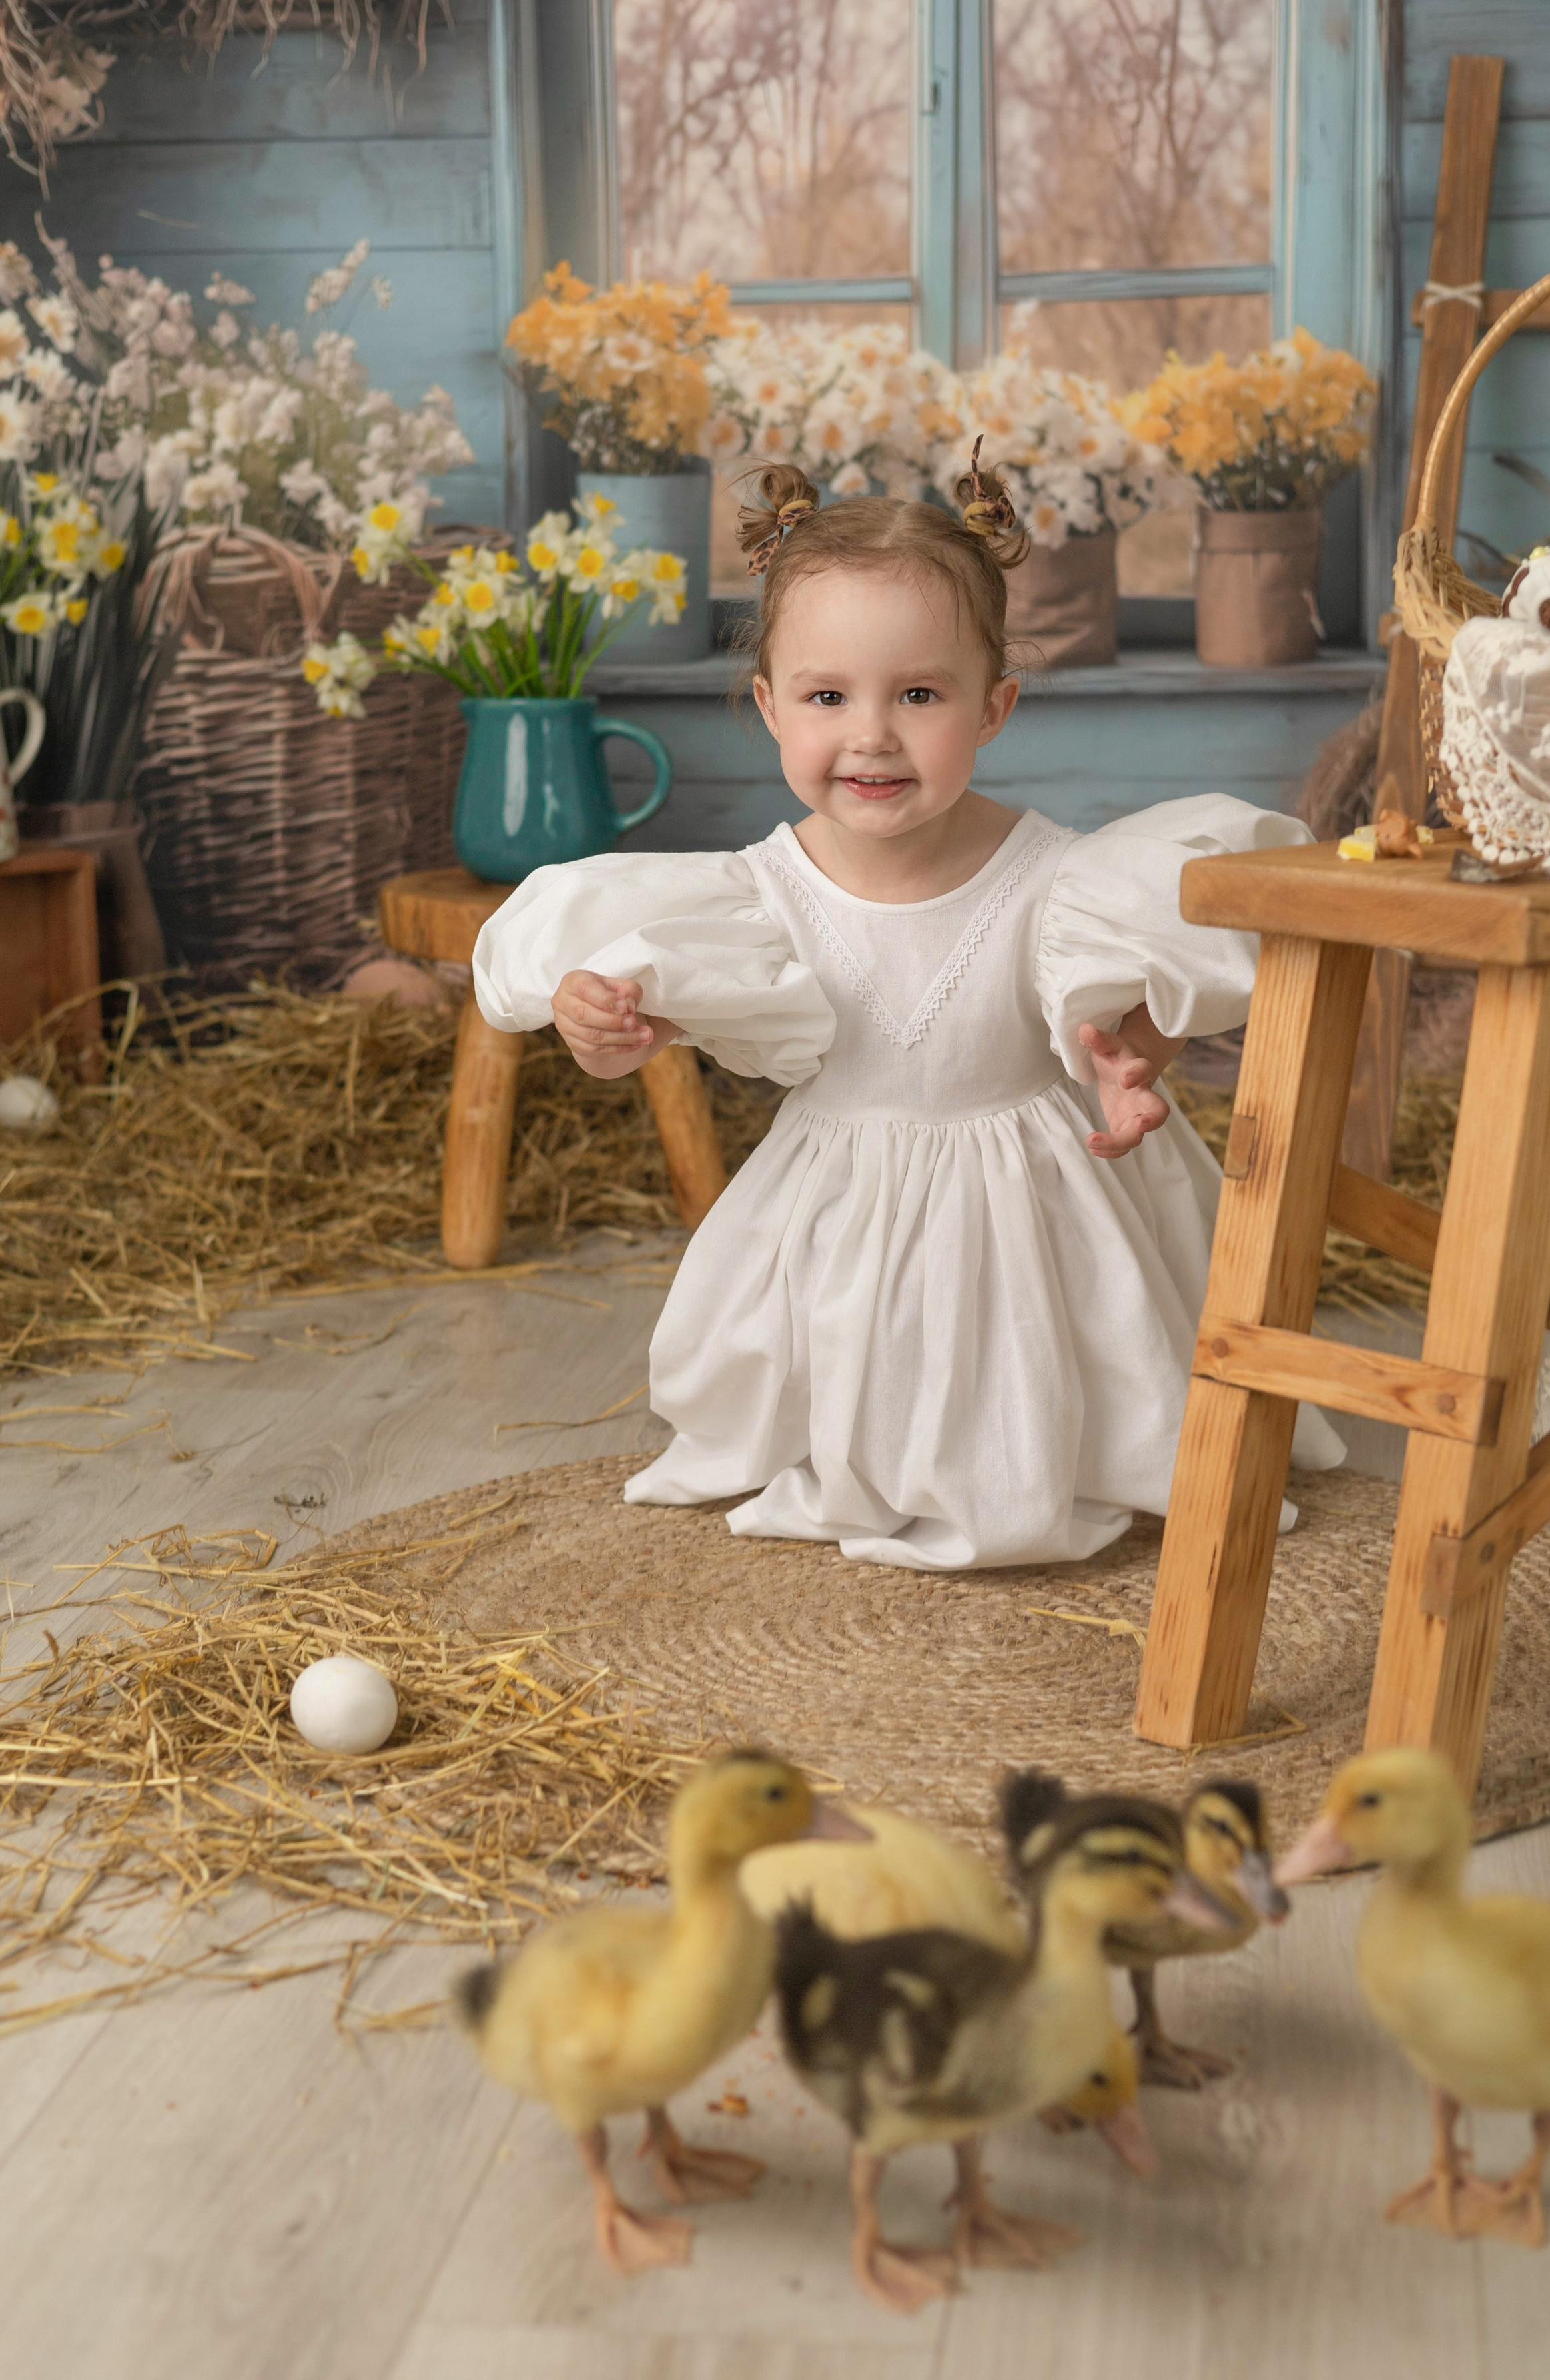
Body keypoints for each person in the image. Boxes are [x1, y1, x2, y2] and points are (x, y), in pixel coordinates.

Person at [473, 450, 1341, 1569]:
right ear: (770, 705)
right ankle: (863, 1445)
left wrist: (1134, 1062)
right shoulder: (756, 894)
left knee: (1042, 1374)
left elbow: (1132, 1009)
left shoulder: (1063, 882)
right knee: (856, 1370)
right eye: (828, 697)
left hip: (1037, 1200)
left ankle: (1047, 1452)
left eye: (918, 695)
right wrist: (608, 1028)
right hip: (843, 1217)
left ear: (994, 707)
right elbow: (670, 1019)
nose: (872, 734)